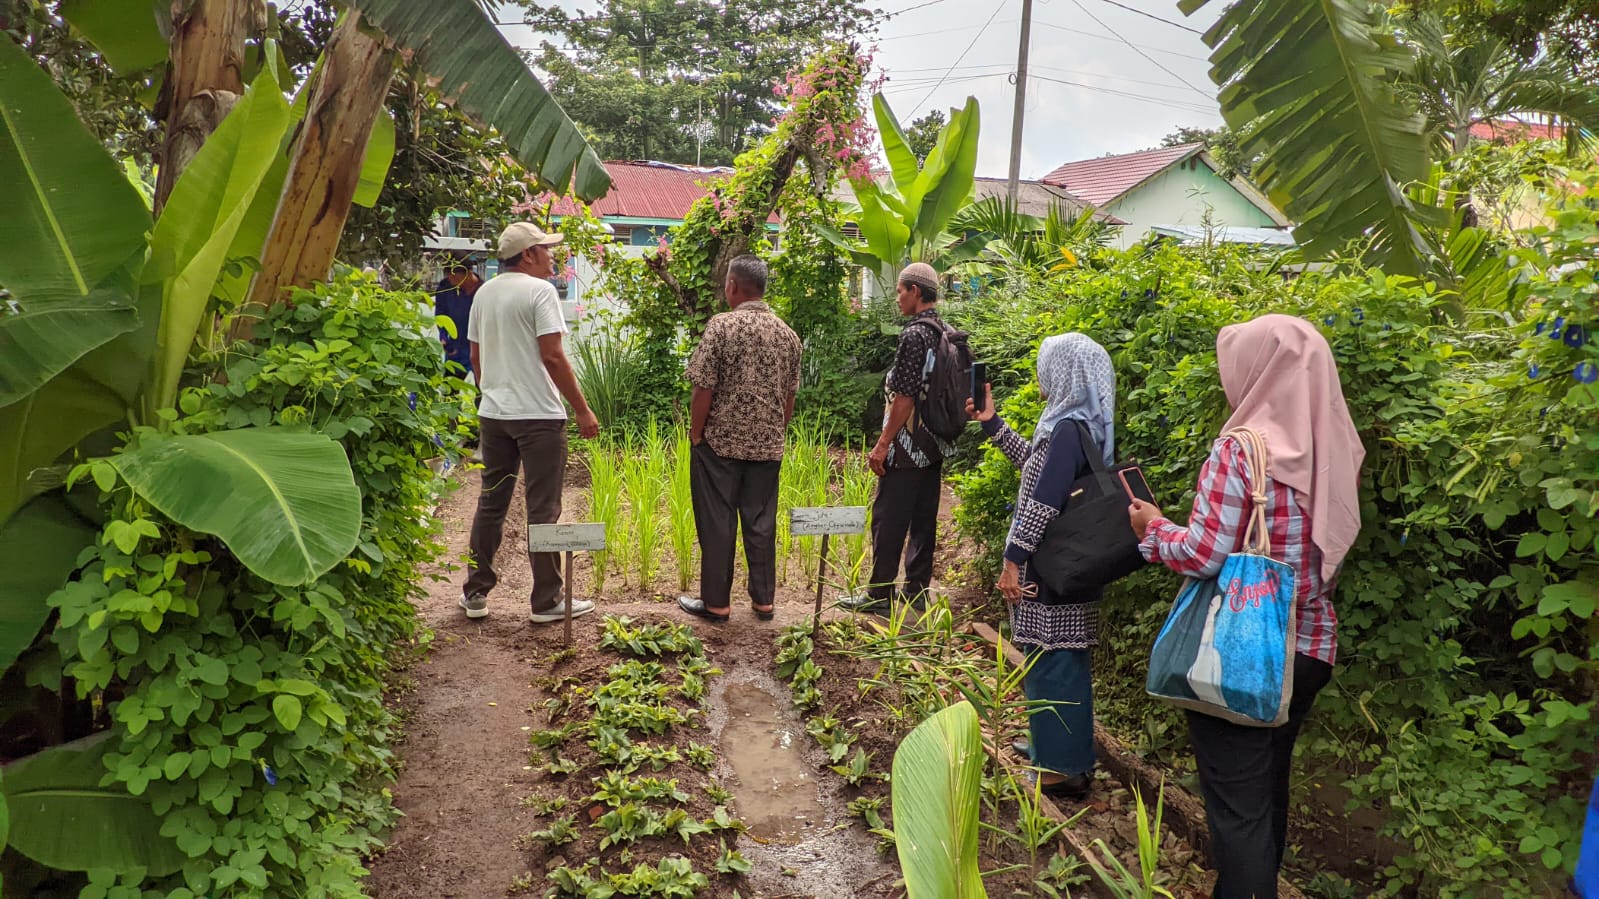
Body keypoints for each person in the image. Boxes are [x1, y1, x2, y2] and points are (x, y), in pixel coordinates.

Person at [1129, 314, 1364, 899]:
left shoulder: (1241, 451)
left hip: (1244, 651)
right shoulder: (1333, 448)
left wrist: (1154, 529)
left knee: (1236, 813)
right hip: (1309, 644)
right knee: (1265, 790)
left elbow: (1206, 554)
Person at [968, 333, 1116, 800]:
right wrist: (993, 425)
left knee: (1053, 659)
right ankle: (1052, 747)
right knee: (1053, 655)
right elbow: (1036, 467)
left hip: (1048, 565)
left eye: (1044, 366)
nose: (1039, 376)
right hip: (1069, 562)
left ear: (1065, 372)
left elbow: (1042, 501)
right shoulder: (1078, 426)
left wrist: (1013, 560)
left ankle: (1061, 769)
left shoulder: (1068, 428)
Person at [460, 222, 601, 624]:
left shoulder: (484, 292)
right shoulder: (539, 292)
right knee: (543, 508)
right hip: (538, 417)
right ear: (527, 255)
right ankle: (546, 602)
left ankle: (475, 593)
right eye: (545, 249)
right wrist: (582, 408)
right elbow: (553, 356)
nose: (551, 255)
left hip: (495, 414)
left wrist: (495, 393)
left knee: (491, 503)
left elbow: (476, 356)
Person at [677, 255, 802, 623]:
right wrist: (775, 432)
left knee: (718, 522)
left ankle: (717, 603)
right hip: (767, 446)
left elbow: (703, 388)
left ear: (732, 286)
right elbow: (788, 398)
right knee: (761, 522)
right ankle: (764, 602)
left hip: (720, 445)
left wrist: (696, 434)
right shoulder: (788, 335)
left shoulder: (721, 327)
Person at [843, 262, 955, 613]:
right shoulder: (945, 331)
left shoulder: (914, 335)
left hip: (908, 446)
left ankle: (879, 594)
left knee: (889, 518)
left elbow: (905, 397)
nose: (898, 298)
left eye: (900, 291)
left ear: (916, 291)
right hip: (935, 444)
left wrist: (883, 444)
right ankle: (917, 590)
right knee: (924, 517)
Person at [434, 256, 480, 377]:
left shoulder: (483, 291)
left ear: (468, 273)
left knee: (482, 391)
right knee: (450, 391)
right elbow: (440, 314)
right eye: (448, 275)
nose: (451, 280)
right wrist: (443, 337)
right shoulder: (445, 288)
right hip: (455, 349)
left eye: (454, 276)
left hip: (479, 348)